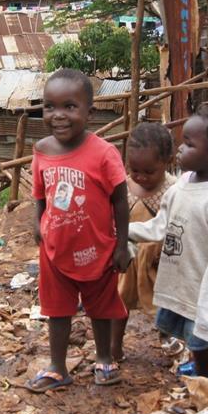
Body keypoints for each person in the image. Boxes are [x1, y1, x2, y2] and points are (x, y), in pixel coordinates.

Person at [27, 68, 131, 392]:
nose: (58, 115)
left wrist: (122, 245)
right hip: (55, 250)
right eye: (50, 107)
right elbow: (40, 194)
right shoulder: (41, 150)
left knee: (101, 307)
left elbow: (120, 200)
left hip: (98, 249)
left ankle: (104, 359)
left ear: (90, 112)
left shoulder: (104, 153)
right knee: (56, 310)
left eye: (70, 107)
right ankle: (58, 367)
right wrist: (37, 222)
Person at [129, 108, 208, 380]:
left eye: (189, 144)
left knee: (200, 337)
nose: (180, 149)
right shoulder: (182, 185)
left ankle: (203, 377)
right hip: (183, 281)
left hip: (207, 288)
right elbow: (162, 224)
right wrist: (128, 231)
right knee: (192, 334)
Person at [113, 122, 177, 362]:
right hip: (127, 259)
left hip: (160, 261)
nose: (140, 177)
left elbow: (177, 225)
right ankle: (114, 346)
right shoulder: (123, 187)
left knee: (164, 305)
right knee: (119, 303)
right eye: (134, 170)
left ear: (168, 162)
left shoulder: (174, 189)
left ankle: (167, 336)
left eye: (149, 172)